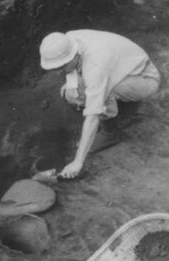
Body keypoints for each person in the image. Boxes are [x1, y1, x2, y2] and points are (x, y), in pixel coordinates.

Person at [39, 30, 161, 180]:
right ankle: (124, 107)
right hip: (124, 66)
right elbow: (77, 70)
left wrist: (78, 161)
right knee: (73, 94)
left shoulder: (95, 67)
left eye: (60, 67)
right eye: (55, 68)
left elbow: (92, 117)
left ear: (73, 56)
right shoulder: (67, 41)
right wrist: (73, 84)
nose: (58, 72)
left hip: (144, 78)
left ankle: (110, 133)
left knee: (96, 95)